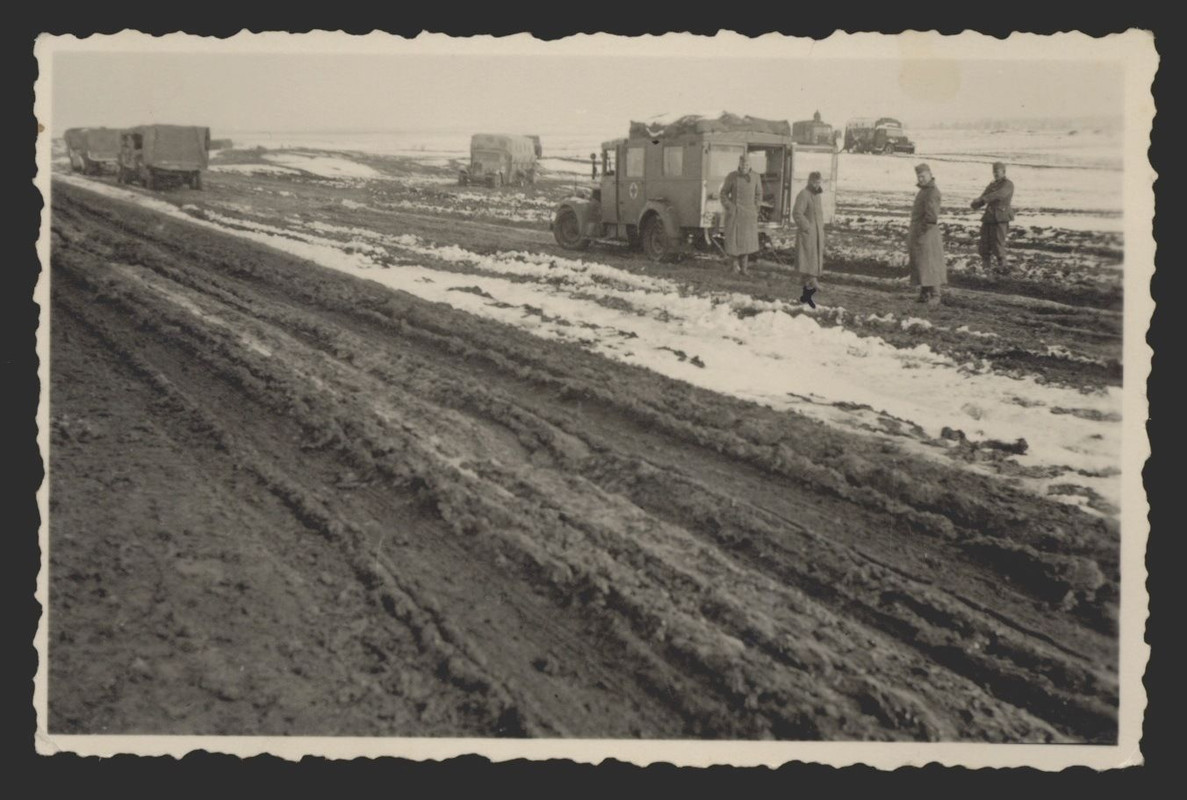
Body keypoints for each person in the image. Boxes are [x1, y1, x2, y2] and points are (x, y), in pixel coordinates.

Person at [908, 163, 946, 305]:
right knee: (921, 264)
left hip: (927, 234)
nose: (921, 179)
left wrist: (922, 231)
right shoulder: (924, 190)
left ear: (930, 174)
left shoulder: (932, 192)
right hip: (920, 232)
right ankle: (924, 294)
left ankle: (936, 295)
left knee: (931, 264)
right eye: (919, 176)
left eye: (923, 176)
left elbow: (931, 217)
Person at [719, 153, 763, 275]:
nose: (744, 166)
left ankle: (744, 269)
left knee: (746, 243)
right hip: (735, 214)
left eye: (747, 164)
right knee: (734, 241)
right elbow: (723, 194)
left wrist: (755, 209)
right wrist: (730, 207)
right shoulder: (732, 176)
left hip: (748, 215)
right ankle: (733, 267)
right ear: (739, 163)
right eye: (742, 163)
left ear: (750, 165)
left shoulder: (755, 177)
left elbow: (759, 195)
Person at [970, 161, 1015, 274]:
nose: (995, 174)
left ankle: (1003, 269)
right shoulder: (992, 185)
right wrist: (975, 204)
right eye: (994, 172)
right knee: (984, 245)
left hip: (1001, 218)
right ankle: (987, 269)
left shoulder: (1008, 184)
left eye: (997, 171)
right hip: (989, 217)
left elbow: (1000, 194)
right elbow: (984, 196)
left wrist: (983, 199)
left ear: (1003, 172)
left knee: (998, 245)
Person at [793, 171, 826, 307]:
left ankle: (806, 279)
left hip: (816, 232)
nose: (817, 185)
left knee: (813, 255)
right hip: (808, 232)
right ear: (809, 182)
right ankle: (812, 279)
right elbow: (797, 213)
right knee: (809, 256)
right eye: (815, 182)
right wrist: (807, 227)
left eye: (819, 182)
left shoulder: (817, 196)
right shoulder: (804, 194)